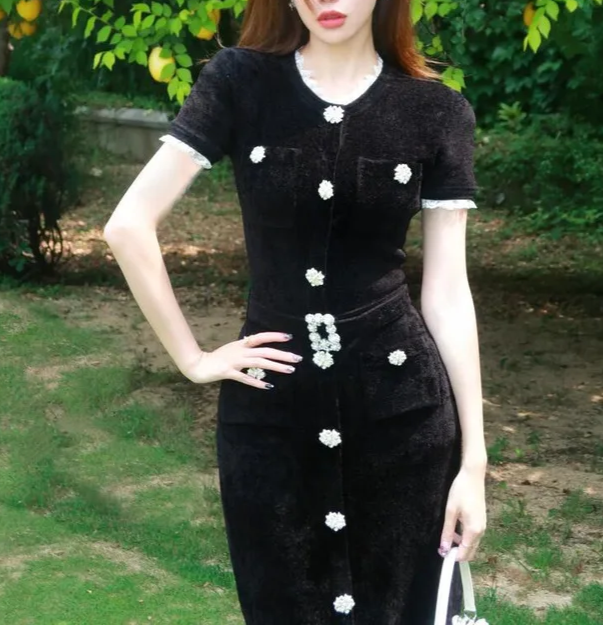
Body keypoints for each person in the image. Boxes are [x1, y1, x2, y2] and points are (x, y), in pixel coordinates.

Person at [103, 0, 488, 623]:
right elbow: (127, 225)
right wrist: (193, 359)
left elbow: (446, 292)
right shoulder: (239, 82)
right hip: (271, 419)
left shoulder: (437, 111)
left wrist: (473, 462)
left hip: (403, 421)